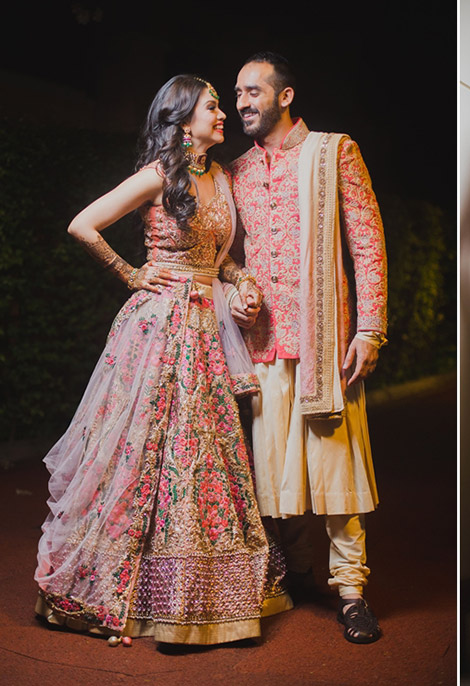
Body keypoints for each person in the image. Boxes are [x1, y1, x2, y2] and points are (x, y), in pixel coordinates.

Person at [34, 75, 291, 645]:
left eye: (221, 106)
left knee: (198, 455)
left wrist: (242, 280)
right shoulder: (158, 175)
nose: (223, 114)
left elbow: (221, 261)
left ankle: (194, 595)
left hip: (207, 332)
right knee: (141, 453)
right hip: (157, 329)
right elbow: (83, 224)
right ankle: (117, 590)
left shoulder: (221, 177)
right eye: (212, 106)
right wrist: (130, 273)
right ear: (182, 121)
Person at [228, 52, 387, 644]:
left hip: (328, 341)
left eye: (253, 91)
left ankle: (351, 593)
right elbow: (228, 256)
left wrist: (370, 328)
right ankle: (292, 573)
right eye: (237, 94)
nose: (242, 102)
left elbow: (367, 243)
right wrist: (237, 289)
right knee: (273, 469)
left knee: (337, 468)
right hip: (263, 344)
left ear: (285, 95)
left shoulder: (334, 150)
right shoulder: (236, 170)